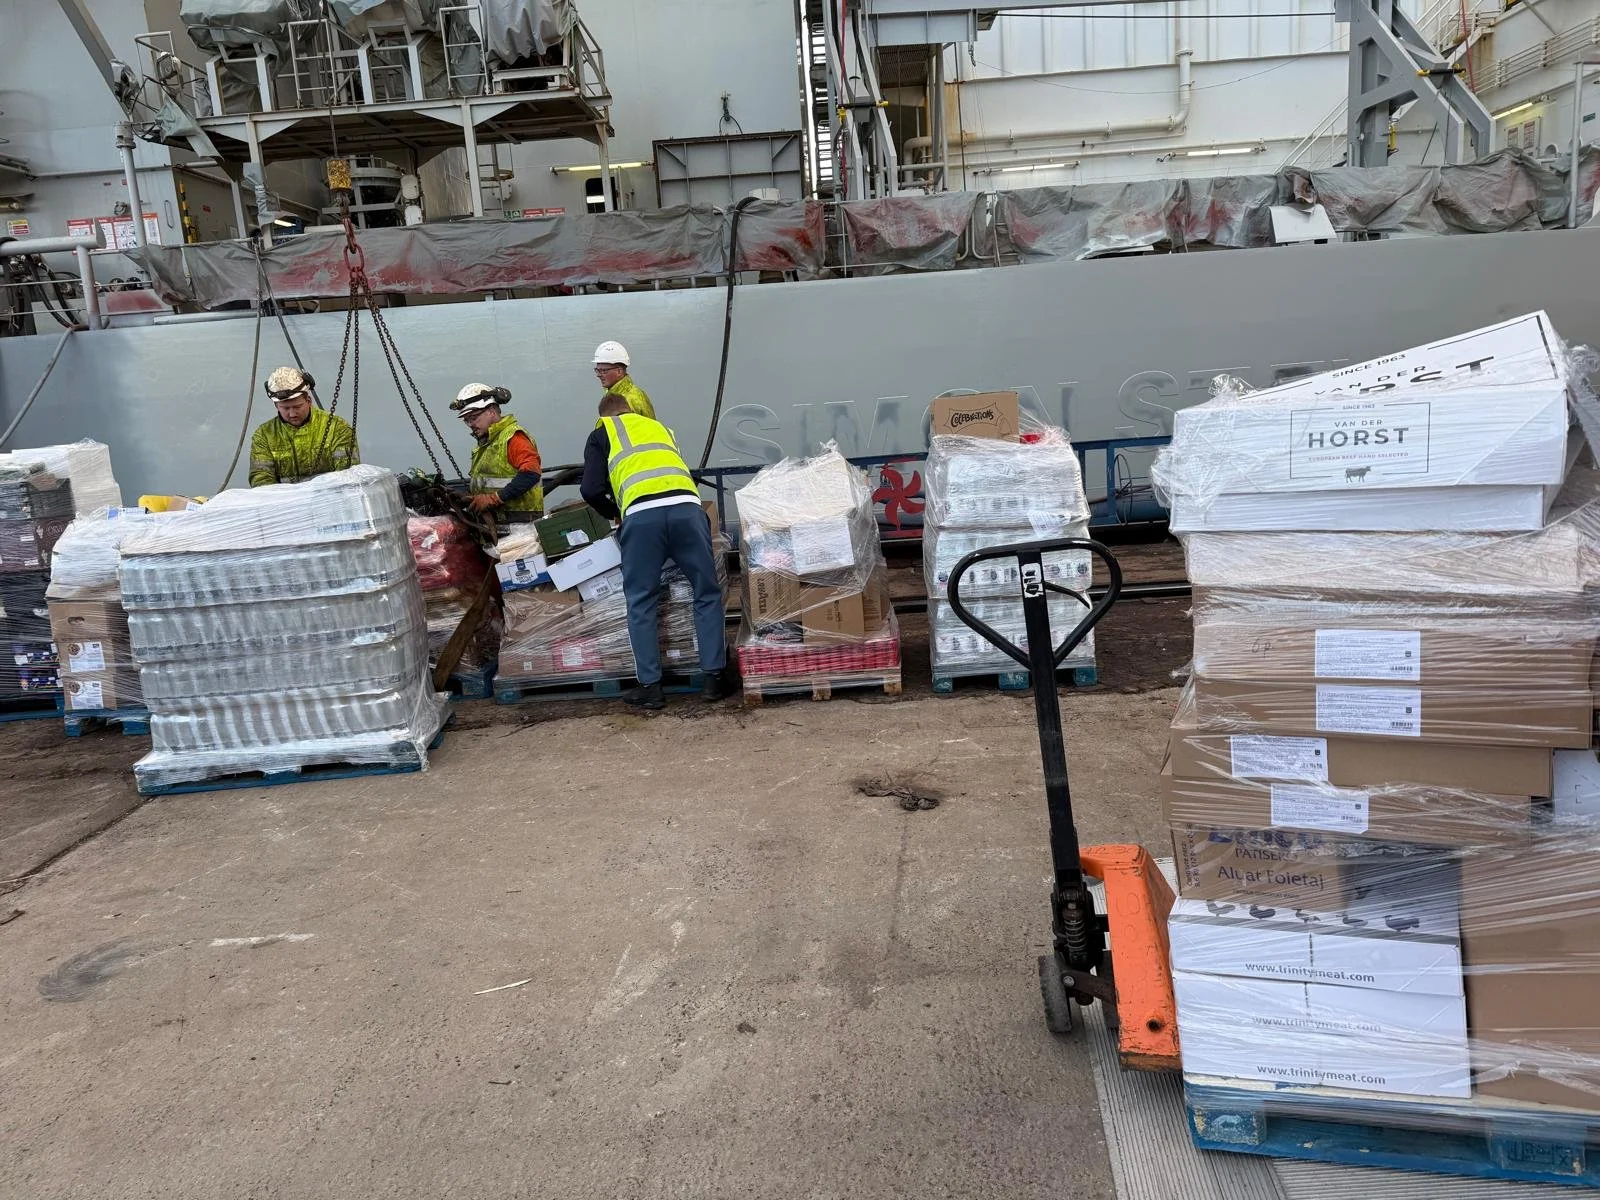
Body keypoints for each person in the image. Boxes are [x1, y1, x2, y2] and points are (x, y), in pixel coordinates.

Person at [581, 393, 732, 709]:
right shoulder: (660, 429)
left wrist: (616, 512)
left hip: (642, 517)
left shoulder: (601, 433)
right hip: (688, 511)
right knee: (706, 592)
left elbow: (590, 489)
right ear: (631, 410)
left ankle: (651, 688)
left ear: (604, 416)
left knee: (641, 600)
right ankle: (714, 680)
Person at [248, 366, 359, 487]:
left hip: (333, 503)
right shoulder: (264, 435)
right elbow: (261, 480)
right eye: (285, 408)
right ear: (276, 405)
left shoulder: (338, 428)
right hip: (286, 504)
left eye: (297, 407)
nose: (292, 414)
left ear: (308, 400)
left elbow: (348, 476)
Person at [449, 382, 543, 520]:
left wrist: (494, 499)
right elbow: (488, 483)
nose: (471, 425)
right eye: (467, 420)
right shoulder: (487, 443)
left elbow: (531, 474)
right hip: (496, 526)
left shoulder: (513, 437)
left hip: (520, 528)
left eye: (474, 418)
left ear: (491, 412)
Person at [592, 341, 655, 419]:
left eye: (604, 371)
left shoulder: (630, 400)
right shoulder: (617, 394)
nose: (598, 375)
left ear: (619, 371)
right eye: (597, 370)